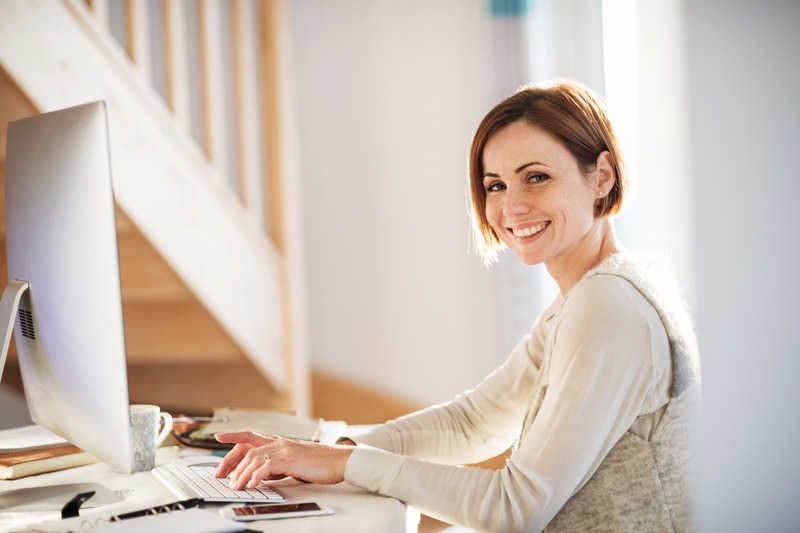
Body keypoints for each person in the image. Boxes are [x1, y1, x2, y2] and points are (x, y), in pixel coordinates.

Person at [214, 79, 702, 532]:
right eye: (496, 185)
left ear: (602, 177)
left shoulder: (607, 307)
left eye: (536, 177)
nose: (512, 207)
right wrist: (326, 451)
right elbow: (474, 423)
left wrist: (346, 463)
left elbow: (518, 507)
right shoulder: (593, 295)